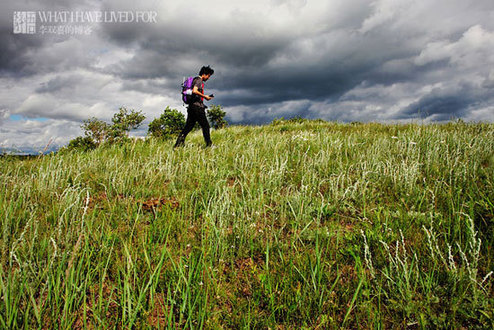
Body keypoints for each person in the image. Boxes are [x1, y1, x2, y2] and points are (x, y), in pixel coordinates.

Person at [174, 65, 215, 148]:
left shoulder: (195, 80)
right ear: (204, 74)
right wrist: (205, 96)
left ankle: (177, 145)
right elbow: (195, 91)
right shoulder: (199, 80)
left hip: (191, 107)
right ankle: (209, 145)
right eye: (208, 76)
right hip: (197, 107)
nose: (208, 78)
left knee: (188, 127)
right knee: (205, 126)